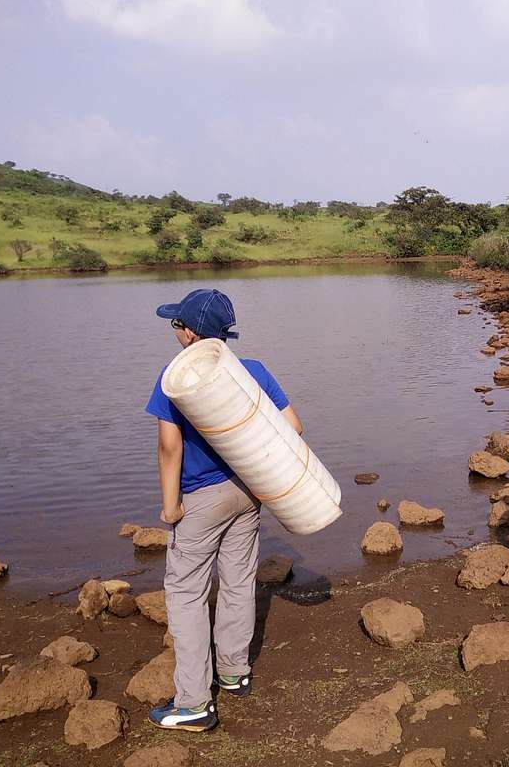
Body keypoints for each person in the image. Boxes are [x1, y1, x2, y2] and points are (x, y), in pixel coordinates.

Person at [143, 288, 303, 731]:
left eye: (176, 324)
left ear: (190, 333)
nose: (174, 331)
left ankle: (193, 703)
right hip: (247, 491)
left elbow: (169, 446)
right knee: (237, 582)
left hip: (200, 499)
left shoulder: (174, 378)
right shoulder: (252, 370)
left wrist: (169, 506)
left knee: (187, 595)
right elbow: (293, 426)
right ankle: (234, 672)